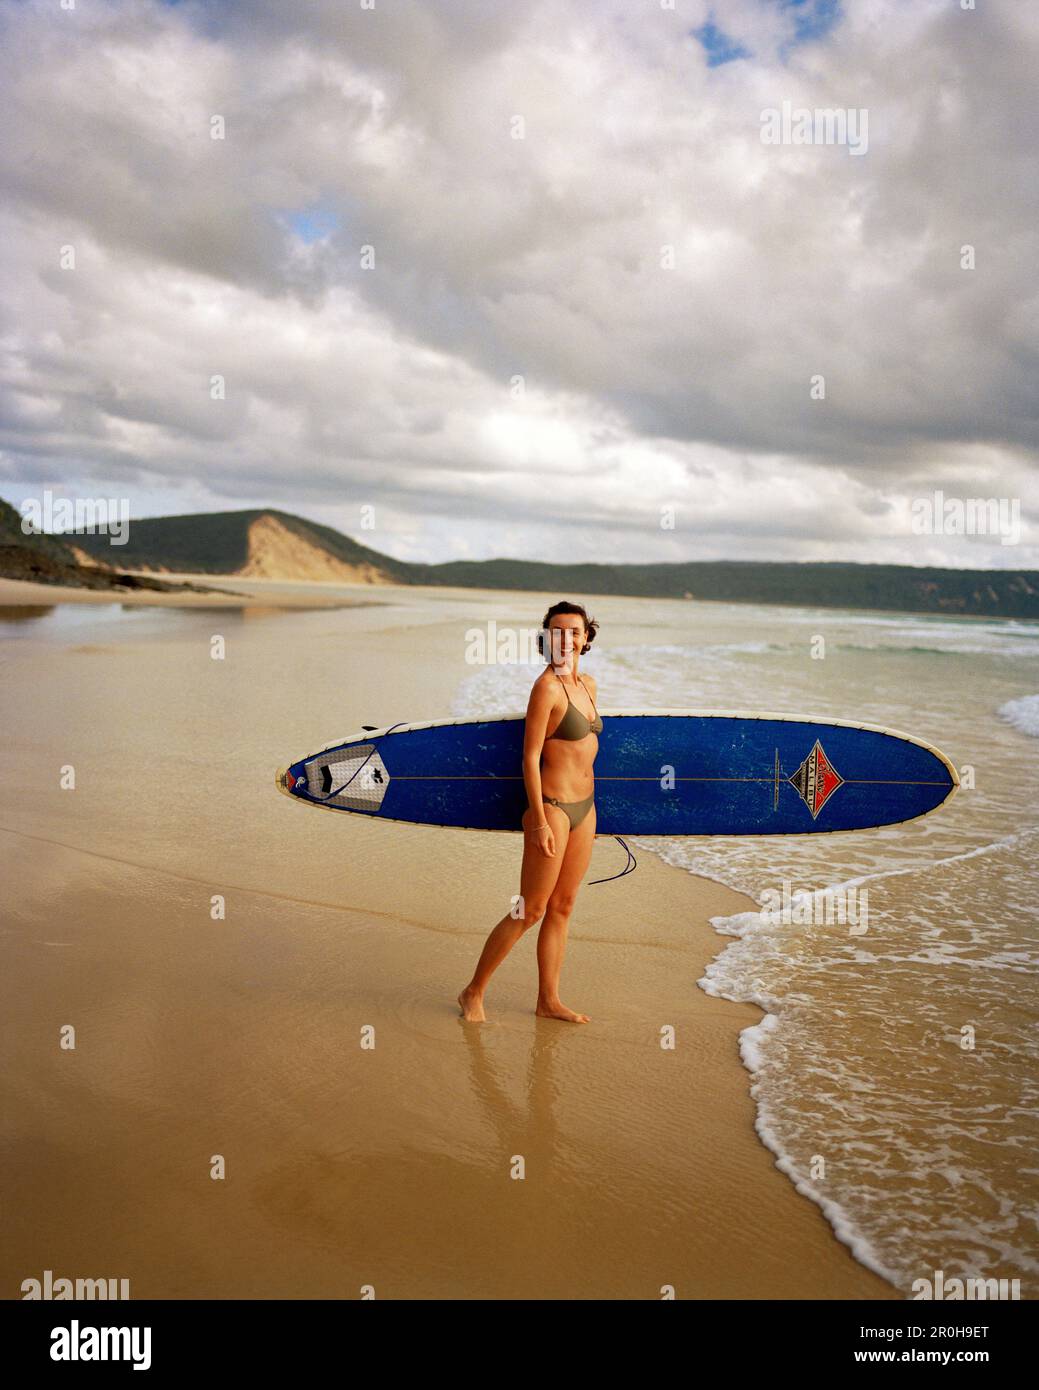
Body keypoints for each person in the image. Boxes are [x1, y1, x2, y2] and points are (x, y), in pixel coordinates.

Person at [458, 601, 603, 1023]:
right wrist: (538, 820)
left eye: (574, 631)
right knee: (531, 908)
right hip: (553, 808)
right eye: (557, 631)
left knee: (563, 906)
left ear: (586, 637)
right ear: (547, 637)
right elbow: (530, 757)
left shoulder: (589, 686)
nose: (566, 639)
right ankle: (473, 991)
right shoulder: (547, 688)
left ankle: (548, 1001)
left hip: (586, 809)